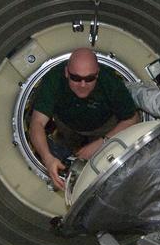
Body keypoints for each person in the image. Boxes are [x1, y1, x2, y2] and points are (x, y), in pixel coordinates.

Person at [29, 48, 139, 191]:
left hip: (105, 127)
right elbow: (36, 123)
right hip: (68, 129)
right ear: (66, 72)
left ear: (97, 74)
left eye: (89, 79)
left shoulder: (109, 81)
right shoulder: (53, 79)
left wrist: (103, 143)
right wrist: (47, 159)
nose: (82, 84)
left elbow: (132, 118)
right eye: (75, 78)